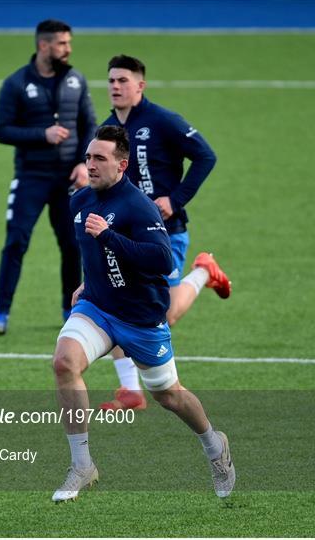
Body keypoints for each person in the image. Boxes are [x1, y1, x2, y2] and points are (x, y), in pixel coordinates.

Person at [51, 126, 235, 502]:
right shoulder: (80, 200)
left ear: (122, 165)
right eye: (89, 157)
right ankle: (82, 465)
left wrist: (110, 237)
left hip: (141, 320)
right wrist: (89, 281)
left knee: (169, 396)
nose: (91, 164)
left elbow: (160, 259)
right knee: (64, 363)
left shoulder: (139, 207)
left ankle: (215, 445)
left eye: (100, 158)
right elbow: (90, 250)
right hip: (98, 308)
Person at [99, 55, 230, 409]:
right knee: (114, 299)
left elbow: (206, 156)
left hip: (165, 231)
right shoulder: (108, 130)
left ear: (140, 85)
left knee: (164, 314)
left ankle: (204, 271)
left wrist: (177, 199)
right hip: (124, 234)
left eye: (123, 80)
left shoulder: (163, 121)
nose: (115, 86)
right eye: (111, 80)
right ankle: (130, 391)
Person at [0, 19, 97, 335]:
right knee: (16, 241)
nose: (68, 49)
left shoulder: (76, 80)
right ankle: (1, 314)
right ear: (43, 45)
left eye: (69, 43)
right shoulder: (16, 84)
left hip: (68, 179)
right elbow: (1, 130)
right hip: (31, 177)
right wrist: (42, 134)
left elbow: (89, 125)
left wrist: (82, 164)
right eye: (62, 43)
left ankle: (71, 310)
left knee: (72, 244)